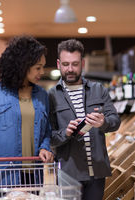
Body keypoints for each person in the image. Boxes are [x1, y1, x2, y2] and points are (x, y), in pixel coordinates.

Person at [0, 35, 53, 187]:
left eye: (43, 67)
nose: (42, 72)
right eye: (37, 67)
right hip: (4, 172)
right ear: (23, 66)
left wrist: (44, 148)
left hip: (33, 173)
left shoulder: (42, 95)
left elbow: (46, 132)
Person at [48, 39, 121, 200]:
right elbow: (49, 137)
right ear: (59, 64)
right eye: (66, 64)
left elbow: (115, 121)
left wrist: (104, 123)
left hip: (97, 171)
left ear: (83, 63)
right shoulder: (51, 96)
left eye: (75, 64)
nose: (70, 69)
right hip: (69, 173)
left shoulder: (98, 90)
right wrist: (65, 133)